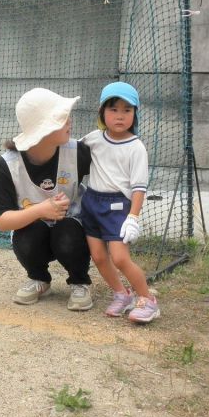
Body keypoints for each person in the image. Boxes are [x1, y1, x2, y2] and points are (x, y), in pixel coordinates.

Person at [0, 88, 93, 310]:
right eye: (61, 118)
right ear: (43, 130)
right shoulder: (8, 164)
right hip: (34, 229)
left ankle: (79, 281)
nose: (69, 121)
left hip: (70, 228)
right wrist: (41, 210)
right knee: (27, 235)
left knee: (67, 232)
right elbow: (1, 220)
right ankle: (38, 278)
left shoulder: (79, 152)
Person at [80, 82, 159, 323]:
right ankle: (121, 294)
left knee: (120, 258)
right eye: (113, 109)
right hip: (91, 202)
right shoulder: (93, 139)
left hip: (117, 208)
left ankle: (147, 300)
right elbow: (70, 153)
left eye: (127, 110)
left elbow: (139, 187)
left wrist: (133, 218)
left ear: (135, 114)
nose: (120, 116)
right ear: (102, 112)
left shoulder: (136, 147)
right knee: (99, 256)